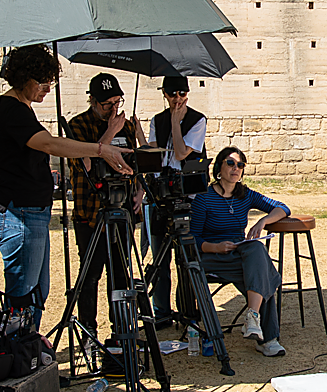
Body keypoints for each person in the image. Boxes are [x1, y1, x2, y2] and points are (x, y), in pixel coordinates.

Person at [0, 46, 132, 331]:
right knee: (23, 293)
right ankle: (18, 352)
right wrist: (101, 149)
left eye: (50, 83)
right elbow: (50, 144)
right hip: (19, 212)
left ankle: (28, 350)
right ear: (24, 79)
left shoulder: (23, 108)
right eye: (42, 83)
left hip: (32, 211)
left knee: (38, 290)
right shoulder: (11, 109)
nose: (47, 90)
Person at [67, 72, 144, 345]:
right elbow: (84, 165)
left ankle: (122, 331)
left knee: (121, 273)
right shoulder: (77, 126)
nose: (113, 109)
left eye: (117, 102)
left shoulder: (127, 126)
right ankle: (88, 333)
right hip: (90, 213)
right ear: (93, 101)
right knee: (90, 275)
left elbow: (135, 164)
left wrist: (139, 191)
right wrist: (110, 131)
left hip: (122, 211)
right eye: (107, 104)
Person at [190, 146, 290, 357]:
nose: (236, 168)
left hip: (238, 253)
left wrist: (263, 220)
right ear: (219, 168)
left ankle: (253, 317)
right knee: (263, 274)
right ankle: (268, 339)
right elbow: (193, 238)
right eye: (230, 163)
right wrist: (215, 247)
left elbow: (282, 208)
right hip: (211, 255)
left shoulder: (245, 195)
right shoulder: (203, 197)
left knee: (255, 248)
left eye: (240, 165)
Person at [144, 75, 207, 320]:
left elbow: (181, 153)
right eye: (173, 94)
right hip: (162, 193)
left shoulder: (196, 120)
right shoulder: (157, 120)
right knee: (160, 256)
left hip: (187, 193)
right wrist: (142, 136)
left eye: (182, 94)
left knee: (186, 256)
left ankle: (188, 308)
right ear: (165, 95)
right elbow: (154, 156)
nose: (178, 99)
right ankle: (161, 309)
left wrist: (175, 124)